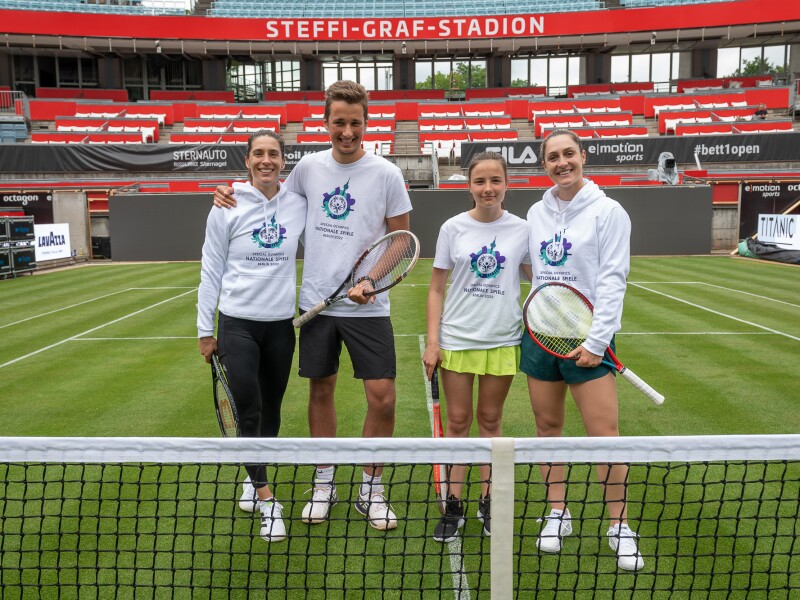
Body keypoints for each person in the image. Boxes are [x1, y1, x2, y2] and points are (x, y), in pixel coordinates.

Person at [213, 80, 412, 531]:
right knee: (320, 392)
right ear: (326, 122)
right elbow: (267, 198)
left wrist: (370, 280)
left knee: (383, 399)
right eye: (338, 122)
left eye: (355, 123)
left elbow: (400, 241)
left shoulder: (386, 174)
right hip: (318, 306)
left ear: (366, 122)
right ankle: (324, 482)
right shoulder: (305, 169)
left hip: (367, 309)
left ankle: (371, 489)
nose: (347, 131)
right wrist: (226, 193)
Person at [522, 129, 644, 571]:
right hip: (541, 336)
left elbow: (614, 279)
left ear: (583, 157)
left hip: (589, 341)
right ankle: (557, 513)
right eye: (552, 157)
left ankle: (619, 526)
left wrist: (596, 342)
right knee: (547, 428)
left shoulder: (609, 211)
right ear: (545, 165)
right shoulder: (536, 211)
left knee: (604, 436)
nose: (561, 162)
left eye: (568, 154)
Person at [197, 130, 307, 542]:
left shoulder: (298, 203)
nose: (266, 160)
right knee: (249, 408)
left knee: (272, 412)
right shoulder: (226, 206)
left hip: (281, 325)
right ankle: (266, 498)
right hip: (237, 324)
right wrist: (205, 331)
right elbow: (210, 270)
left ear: (283, 160)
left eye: (273, 154)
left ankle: (251, 472)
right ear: (247, 161)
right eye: (258, 154)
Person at [422, 152, 531, 542]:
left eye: (495, 181)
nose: (488, 189)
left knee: (490, 423)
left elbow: (541, 278)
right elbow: (436, 288)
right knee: (457, 425)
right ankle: (453, 505)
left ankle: (489, 502)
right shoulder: (453, 228)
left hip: (502, 339)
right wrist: (433, 342)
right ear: (469, 185)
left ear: (506, 185)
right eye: (480, 181)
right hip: (457, 340)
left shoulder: (523, 229)